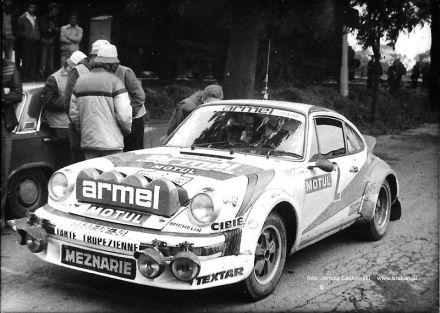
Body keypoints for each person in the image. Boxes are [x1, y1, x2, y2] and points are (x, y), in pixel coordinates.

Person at [69, 44, 132, 159]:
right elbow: (124, 115)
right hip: (112, 144)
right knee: (111, 175)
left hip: (89, 143)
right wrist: (125, 131)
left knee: (91, 175)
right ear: (112, 65)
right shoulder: (115, 82)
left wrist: (84, 129)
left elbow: (73, 114)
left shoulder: (80, 81)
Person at [64, 40, 108, 162]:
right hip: (81, 131)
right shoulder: (77, 71)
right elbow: (68, 103)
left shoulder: (107, 71)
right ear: (93, 56)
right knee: (80, 165)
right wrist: (81, 127)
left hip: (102, 131)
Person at [1, 58, 22, 231]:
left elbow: (17, 94)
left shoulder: (8, 66)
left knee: (3, 174)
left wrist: (4, 95)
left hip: (3, 124)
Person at [112, 46, 146, 151]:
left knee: (134, 149)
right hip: (119, 118)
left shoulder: (125, 72)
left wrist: (130, 115)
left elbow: (139, 96)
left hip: (134, 117)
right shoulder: (103, 73)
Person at [40, 58, 74, 144]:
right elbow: (47, 101)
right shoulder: (54, 78)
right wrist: (71, 101)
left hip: (73, 124)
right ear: (70, 67)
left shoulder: (77, 75)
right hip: (61, 125)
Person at [17, 1, 40, 81]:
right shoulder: (22, 18)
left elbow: (36, 29)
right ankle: (23, 80)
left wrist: (37, 36)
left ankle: (31, 80)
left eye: (34, 7)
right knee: (25, 62)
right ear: (27, 8)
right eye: (31, 7)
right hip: (25, 43)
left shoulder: (35, 18)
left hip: (34, 43)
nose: (32, 9)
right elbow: (19, 31)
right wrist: (27, 35)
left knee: (33, 62)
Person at [38, 2, 60, 80]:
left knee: (50, 63)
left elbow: (57, 30)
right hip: (44, 42)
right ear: (51, 10)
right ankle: (41, 79)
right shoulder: (43, 18)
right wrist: (52, 29)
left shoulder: (54, 19)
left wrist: (53, 30)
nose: (56, 12)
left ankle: (49, 80)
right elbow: (43, 31)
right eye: (55, 10)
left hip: (52, 42)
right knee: (43, 63)